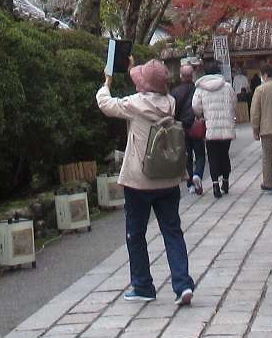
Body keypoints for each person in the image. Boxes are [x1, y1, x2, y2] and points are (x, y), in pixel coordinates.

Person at [98, 60, 197, 305]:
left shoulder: (134, 104)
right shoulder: (170, 103)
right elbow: (151, 86)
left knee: (136, 233)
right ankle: (182, 284)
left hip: (139, 182)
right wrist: (135, 66)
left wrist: (107, 82)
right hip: (168, 179)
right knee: (172, 231)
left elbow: (105, 104)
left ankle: (143, 285)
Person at [193, 65, 237, 197]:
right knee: (224, 154)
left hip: (210, 127)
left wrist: (201, 115)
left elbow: (195, 106)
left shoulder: (200, 89)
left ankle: (215, 186)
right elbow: (234, 102)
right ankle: (225, 181)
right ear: (218, 72)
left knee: (212, 157)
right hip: (226, 126)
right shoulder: (227, 87)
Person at [172, 61, 206, 195]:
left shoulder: (175, 92)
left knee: (187, 156)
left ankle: (190, 183)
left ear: (181, 76)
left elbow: (173, 112)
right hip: (196, 126)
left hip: (181, 128)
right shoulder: (199, 90)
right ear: (192, 76)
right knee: (200, 155)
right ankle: (198, 174)